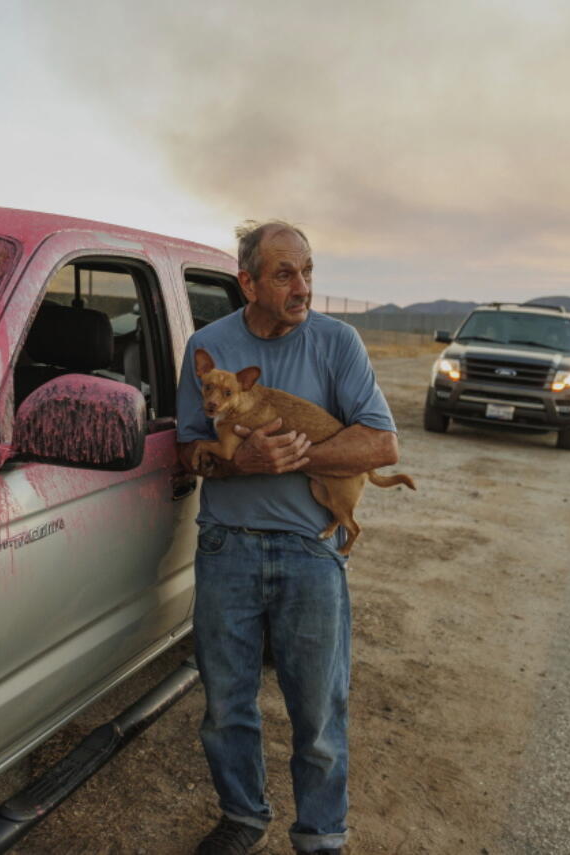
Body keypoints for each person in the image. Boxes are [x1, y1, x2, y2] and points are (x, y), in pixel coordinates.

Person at [176, 221, 400, 855]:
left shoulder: (338, 342)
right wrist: (234, 463)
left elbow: (382, 443)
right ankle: (243, 818)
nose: (302, 287)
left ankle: (322, 836)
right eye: (283, 274)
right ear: (247, 282)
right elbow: (188, 449)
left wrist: (291, 455)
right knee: (226, 706)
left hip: (309, 550)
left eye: (307, 271)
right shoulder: (208, 348)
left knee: (319, 713)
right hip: (228, 545)